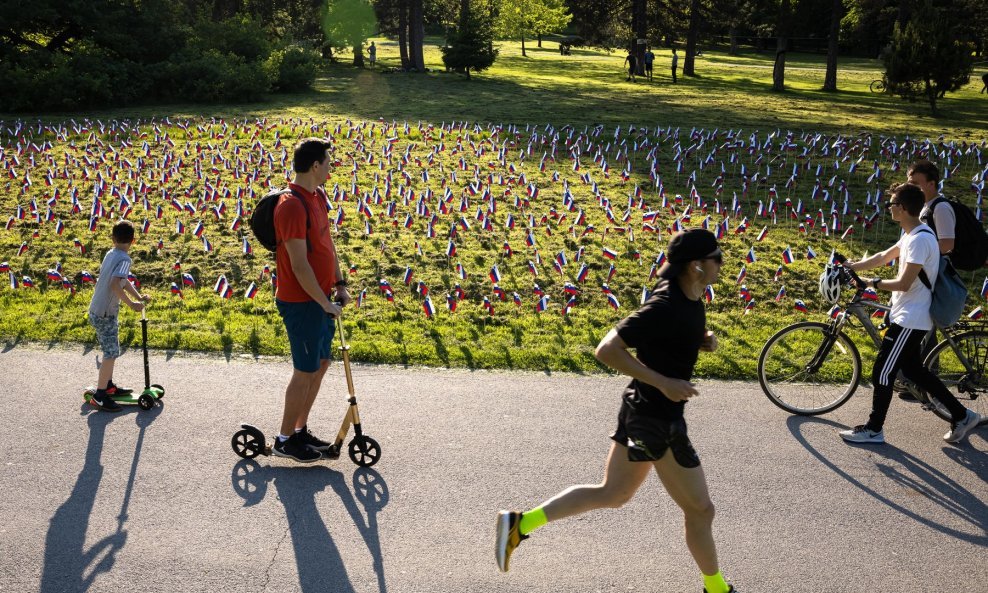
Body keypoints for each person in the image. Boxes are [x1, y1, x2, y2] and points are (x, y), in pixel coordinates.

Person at [495, 229, 736, 593]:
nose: (722, 264)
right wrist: (663, 382)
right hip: (655, 419)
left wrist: (698, 341)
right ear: (696, 266)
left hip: (647, 412)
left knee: (614, 494)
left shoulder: (691, 296)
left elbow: (668, 336)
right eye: (717, 258)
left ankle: (520, 524)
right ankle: (717, 589)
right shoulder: (665, 305)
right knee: (701, 510)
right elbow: (606, 350)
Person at [840, 183, 981, 444]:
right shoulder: (912, 234)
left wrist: (872, 283)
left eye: (892, 204)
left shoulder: (920, 240)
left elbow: (904, 283)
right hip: (906, 314)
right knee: (915, 371)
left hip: (911, 319)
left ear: (902, 208)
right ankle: (962, 415)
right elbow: (885, 255)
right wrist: (853, 266)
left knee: (883, 371)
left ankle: (874, 429)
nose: (889, 208)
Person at [272, 138, 352, 463]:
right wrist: (323, 303)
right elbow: (299, 266)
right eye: (328, 162)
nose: (331, 167)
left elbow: (326, 243)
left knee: (320, 365)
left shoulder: (317, 196)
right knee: (304, 371)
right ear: (315, 165)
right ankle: (283, 439)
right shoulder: (290, 205)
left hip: (321, 301)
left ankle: (299, 431)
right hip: (302, 303)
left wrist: (340, 283)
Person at [87, 220, 150, 412]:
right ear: (133, 240)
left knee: (111, 350)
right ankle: (100, 396)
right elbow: (115, 284)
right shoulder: (124, 259)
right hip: (105, 313)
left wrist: (138, 296)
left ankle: (109, 387)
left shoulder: (111, 254)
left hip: (99, 309)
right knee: (111, 353)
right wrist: (131, 304)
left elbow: (122, 281)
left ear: (113, 239)